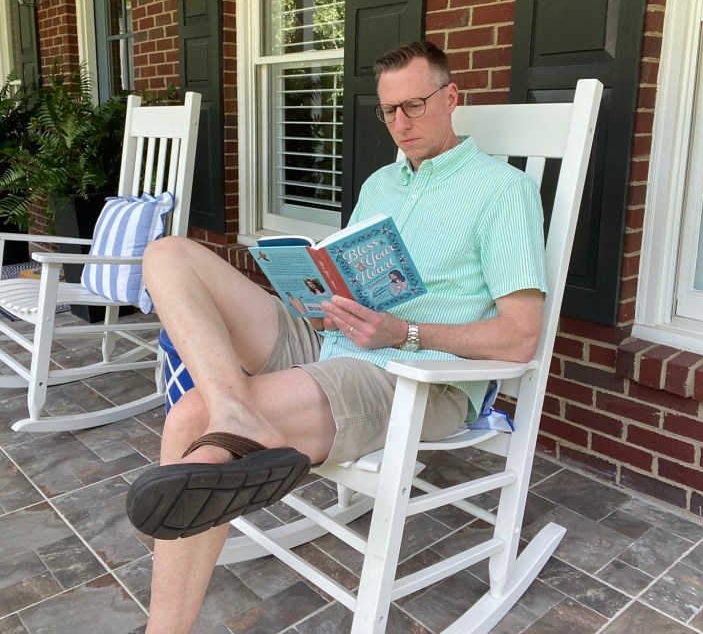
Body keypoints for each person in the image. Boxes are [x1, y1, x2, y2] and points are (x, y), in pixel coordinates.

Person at [128, 40, 547, 634]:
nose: (401, 123)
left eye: (416, 105)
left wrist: (404, 333)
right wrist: (324, 302)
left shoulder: (503, 191)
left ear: (451, 97)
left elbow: (520, 339)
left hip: (410, 371)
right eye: (389, 111)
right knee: (168, 254)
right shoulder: (381, 184)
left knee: (191, 422)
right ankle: (237, 413)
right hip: (337, 338)